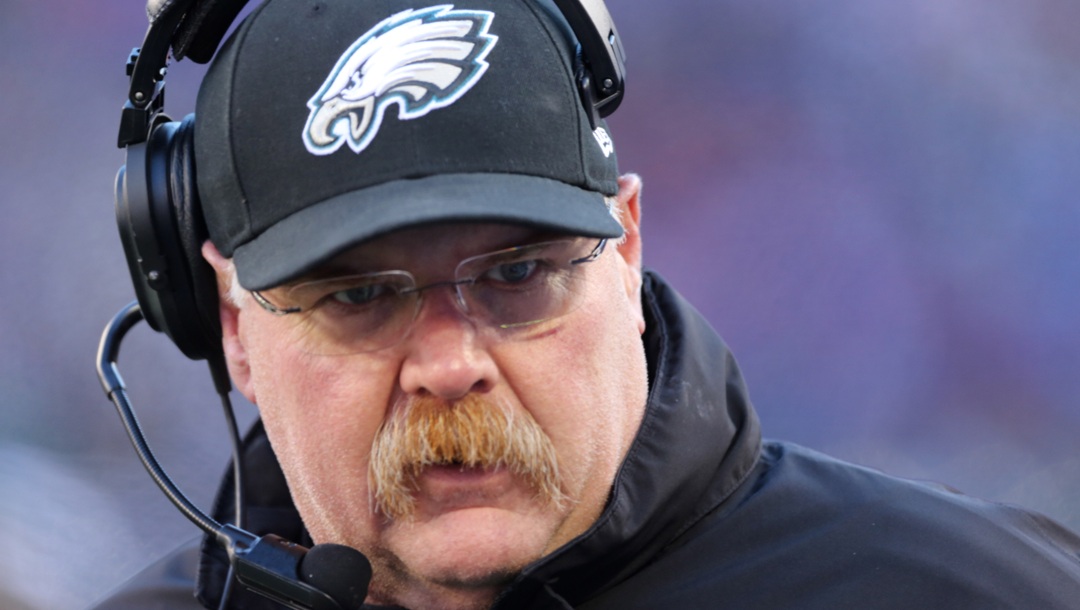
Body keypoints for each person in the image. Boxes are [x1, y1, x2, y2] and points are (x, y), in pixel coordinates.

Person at [94, 0, 1080, 608]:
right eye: (357, 294)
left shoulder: (969, 593)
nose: (452, 363)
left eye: (518, 274)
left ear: (628, 252)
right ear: (232, 327)